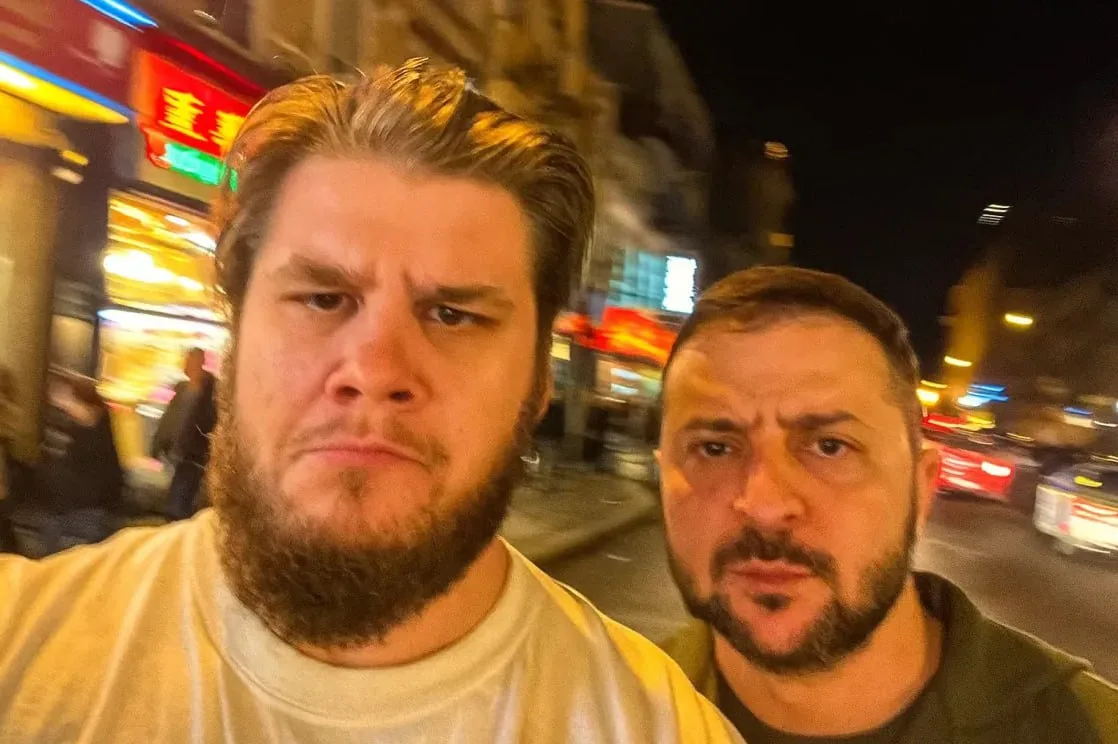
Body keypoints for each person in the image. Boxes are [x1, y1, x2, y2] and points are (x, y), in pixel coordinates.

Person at [0, 61, 740, 743]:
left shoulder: (661, 728)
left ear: (537, 383)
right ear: (236, 333)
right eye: (322, 298)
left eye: (453, 315)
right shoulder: (22, 653)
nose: (375, 370)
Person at [658, 266, 1118, 743]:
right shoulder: (616, 710)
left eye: (830, 446)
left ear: (921, 488)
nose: (765, 506)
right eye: (714, 448)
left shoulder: (1089, 729)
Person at [36, 373, 124, 552]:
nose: (61, 404)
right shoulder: (78, 429)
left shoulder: (95, 436)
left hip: (84, 512)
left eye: (65, 398)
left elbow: (100, 481)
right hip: (66, 510)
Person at [153, 347, 218, 519]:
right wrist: (159, 443)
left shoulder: (212, 392)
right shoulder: (182, 389)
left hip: (193, 459)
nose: (185, 364)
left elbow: (210, 424)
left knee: (178, 507)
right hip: (175, 456)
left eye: (190, 360)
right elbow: (170, 419)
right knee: (175, 503)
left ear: (201, 362)